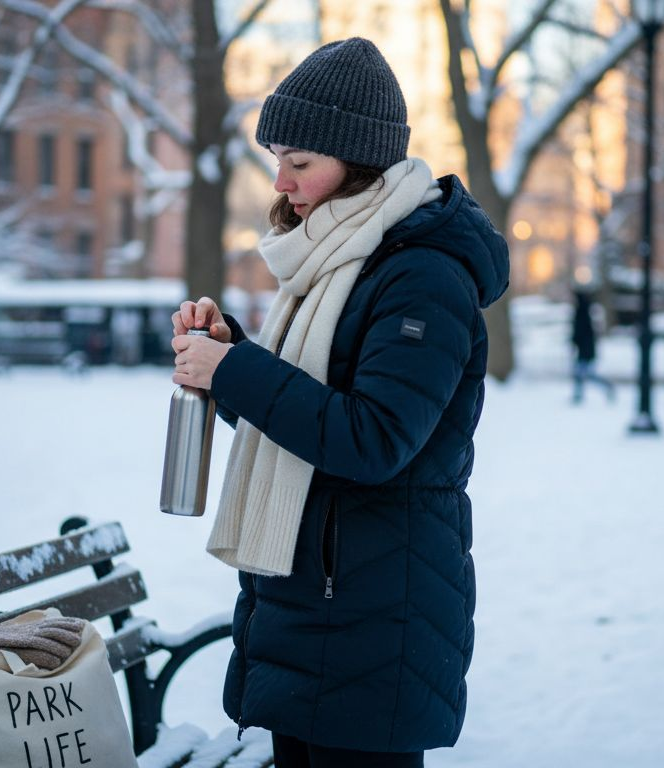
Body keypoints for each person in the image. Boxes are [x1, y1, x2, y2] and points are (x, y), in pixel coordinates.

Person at [168, 38, 509, 768]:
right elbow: (308, 418)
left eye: (300, 163)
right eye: (278, 161)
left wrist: (239, 373)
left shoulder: (422, 277)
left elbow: (374, 440)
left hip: (373, 615)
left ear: (357, 161)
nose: (282, 182)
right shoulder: (336, 262)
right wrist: (227, 364)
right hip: (317, 604)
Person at [570, 286, 615, 404]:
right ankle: (578, 396)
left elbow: (579, 333)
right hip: (585, 350)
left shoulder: (581, 313)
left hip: (585, 351)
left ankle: (606, 387)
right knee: (580, 374)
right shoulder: (584, 312)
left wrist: (574, 341)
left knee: (587, 375)